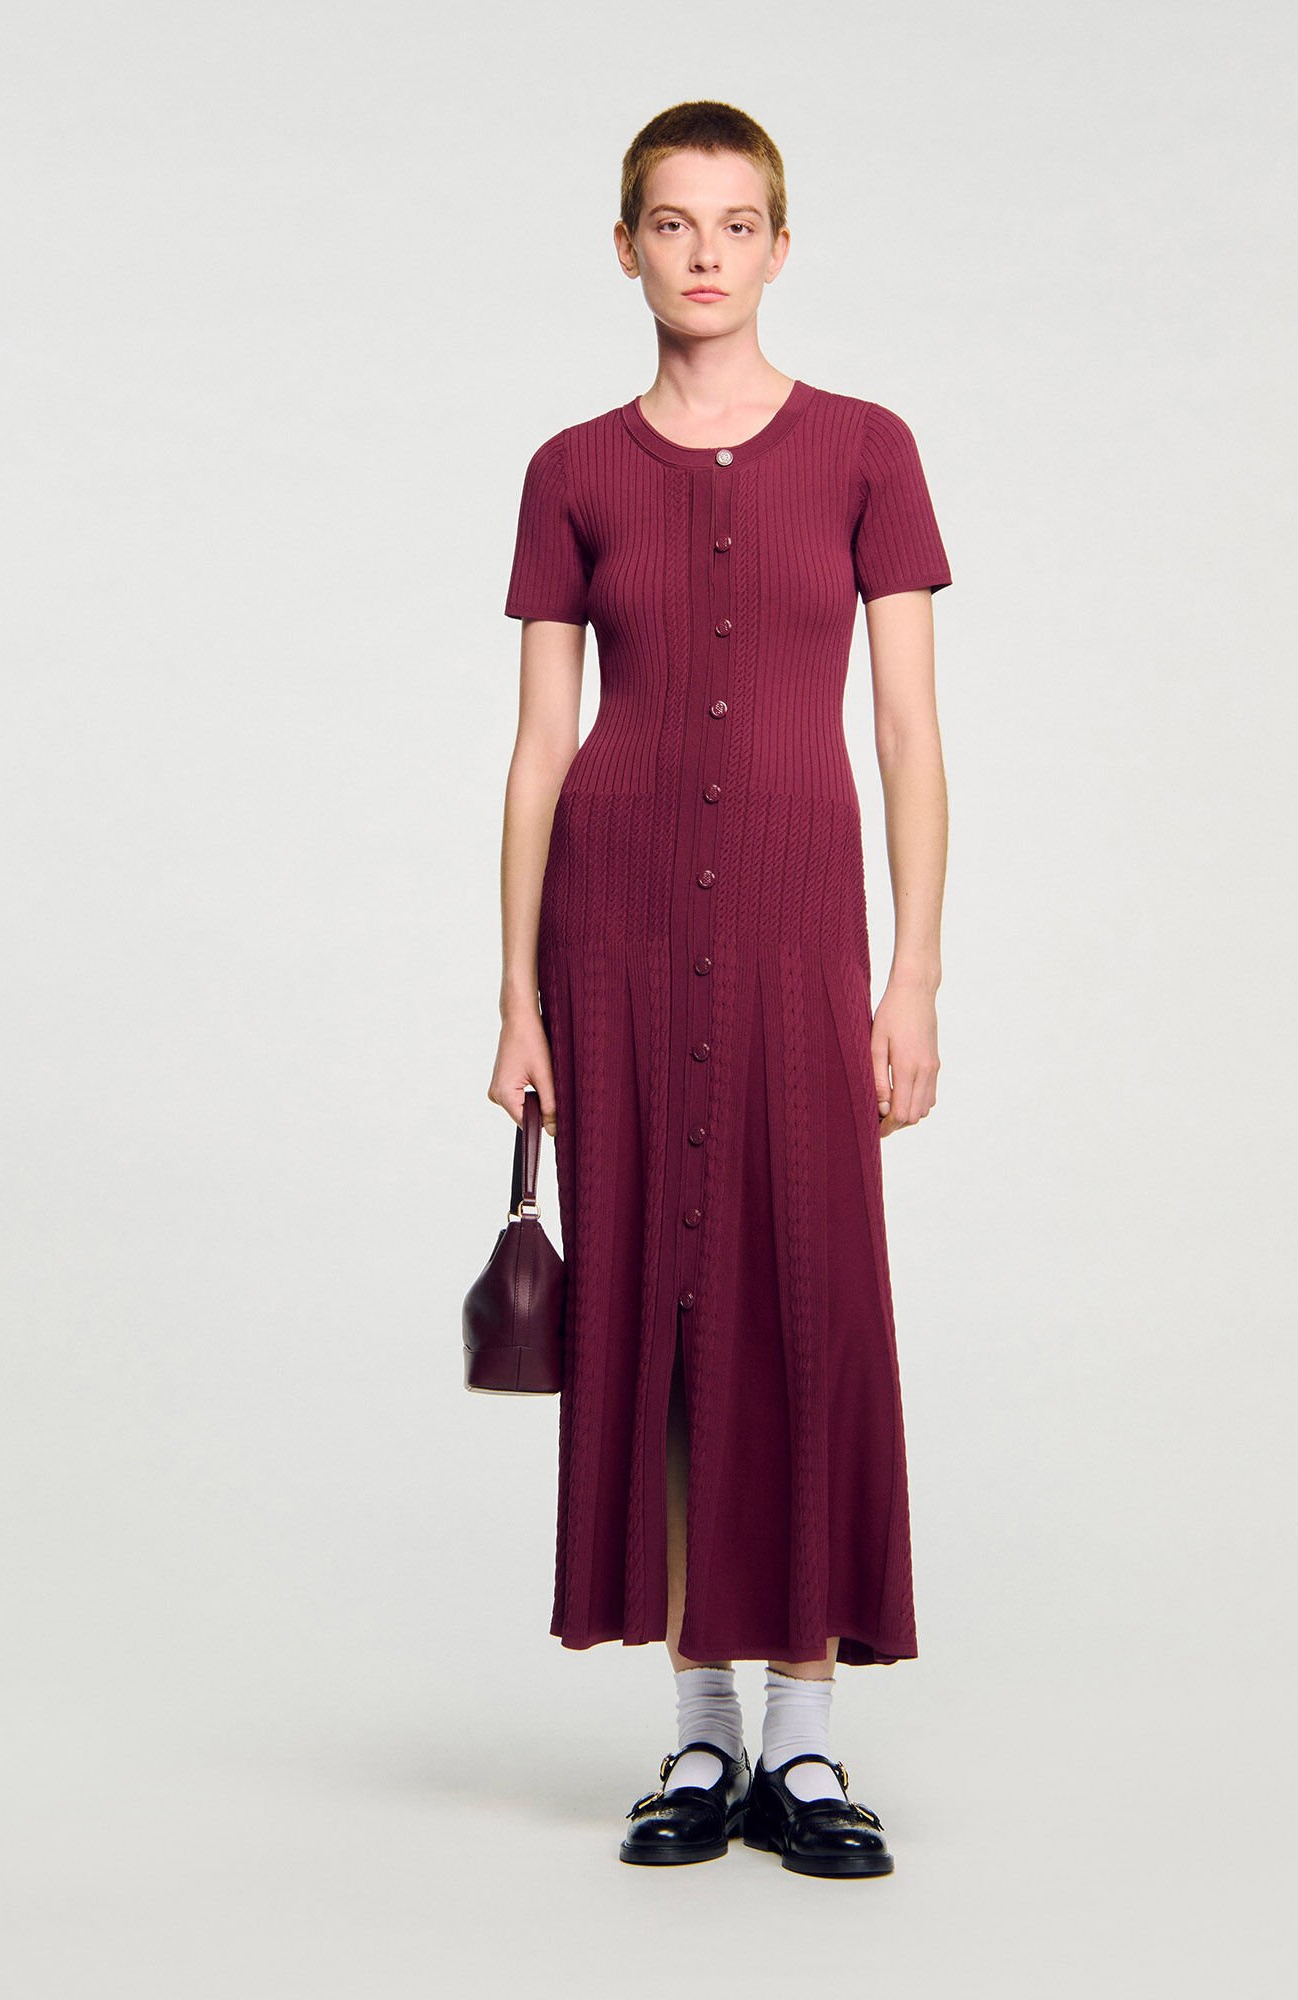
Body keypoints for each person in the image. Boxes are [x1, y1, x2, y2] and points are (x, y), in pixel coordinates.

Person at [489, 100, 952, 1879]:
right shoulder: (571, 470)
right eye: (671, 224)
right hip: (611, 932)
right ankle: (699, 1734)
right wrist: (517, 998)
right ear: (626, 248)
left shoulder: (868, 450)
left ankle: (806, 1741)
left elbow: (906, 731)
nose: (704, 253)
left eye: (736, 223)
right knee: (659, 1314)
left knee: (806, 1301)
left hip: (796, 930)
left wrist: (913, 974)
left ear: (779, 246)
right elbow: (541, 749)